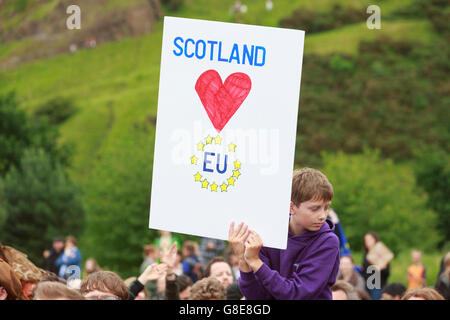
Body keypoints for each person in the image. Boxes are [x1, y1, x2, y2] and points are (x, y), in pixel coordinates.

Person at [230, 168, 340, 300]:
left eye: (326, 207)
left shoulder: (328, 241)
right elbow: (257, 297)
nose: (322, 215)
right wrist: (243, 260)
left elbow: (296, 294)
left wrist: (255, 261)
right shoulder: (267, 235)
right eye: (315, 208)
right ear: (291, 207)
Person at [361, 231, 390, 300]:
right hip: (367, 285)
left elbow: (387, 272)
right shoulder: (366, 254)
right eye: (366, 240)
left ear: (375, 239)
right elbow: (365, 272)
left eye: (369, 239)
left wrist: (381, 267)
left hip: (377, 286)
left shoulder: (381, 253)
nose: (367, 241)